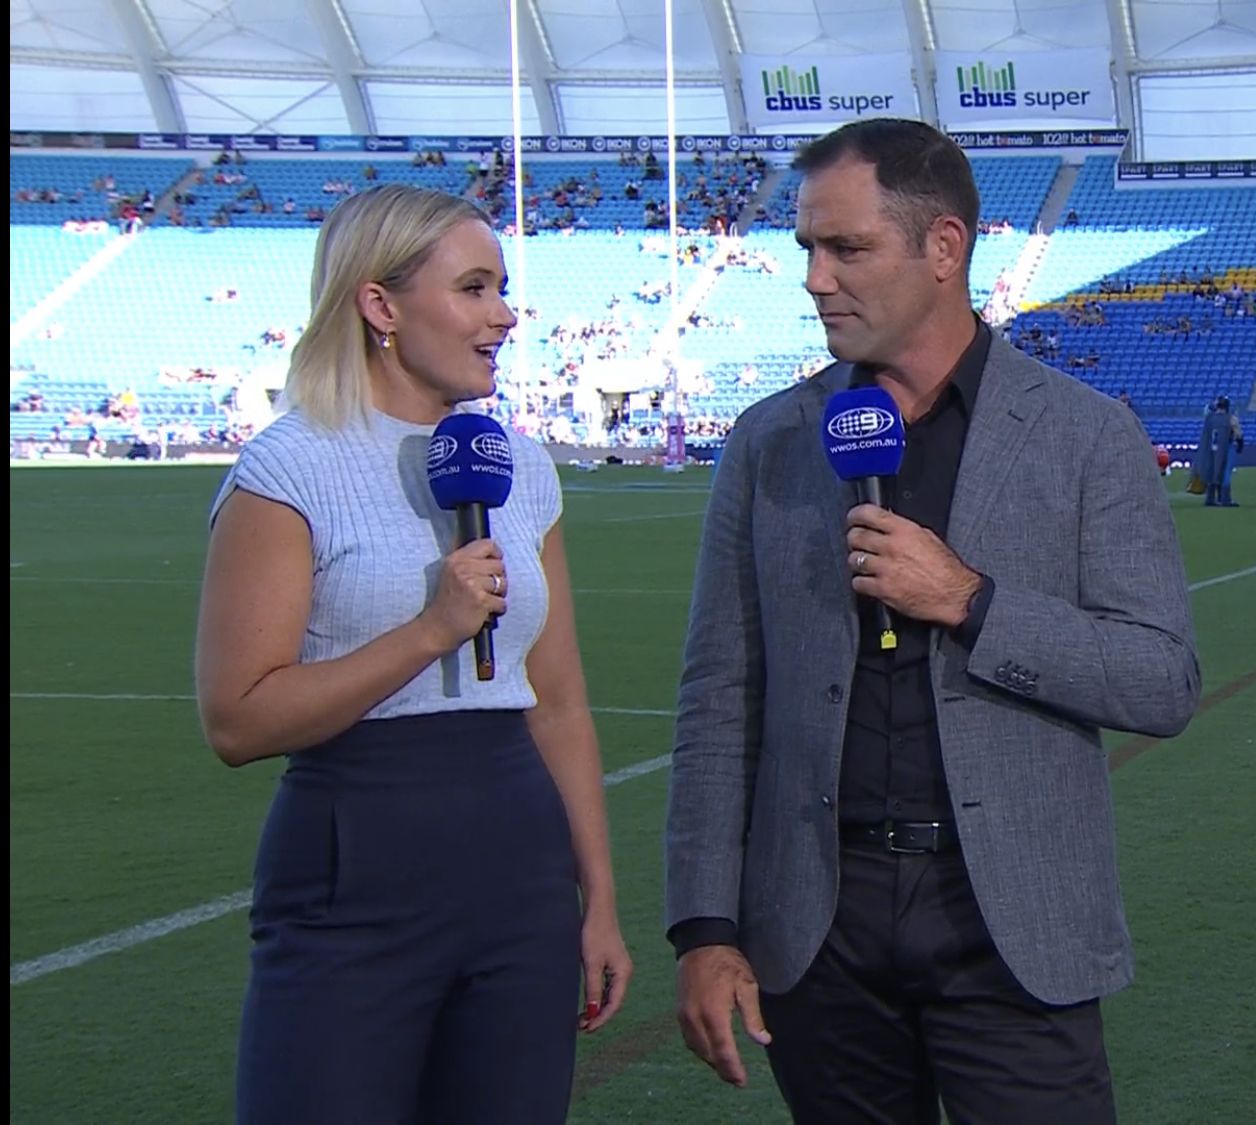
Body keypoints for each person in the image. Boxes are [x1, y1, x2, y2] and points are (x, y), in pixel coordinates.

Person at [665, 118, 1201, 1124]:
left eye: (847, 248)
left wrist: (971, 601)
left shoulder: (1086, 435)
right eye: (807, 249)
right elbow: (719, 697)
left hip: (1011, 919)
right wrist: (704, 925)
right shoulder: (770, 441)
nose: (816, 279)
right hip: (818, 928)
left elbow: (1160, 679)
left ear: (943, 246)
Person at [196, 184, 632, 1124]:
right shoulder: (289, 467)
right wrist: (430, 631)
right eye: (474, 289)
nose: (504, 316)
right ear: (380, 305)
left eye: (501, 288)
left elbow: (557, 703)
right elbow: (238, 718)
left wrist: (597, 897)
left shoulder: (522, 465)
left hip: (520, 868)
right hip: (355, 862)